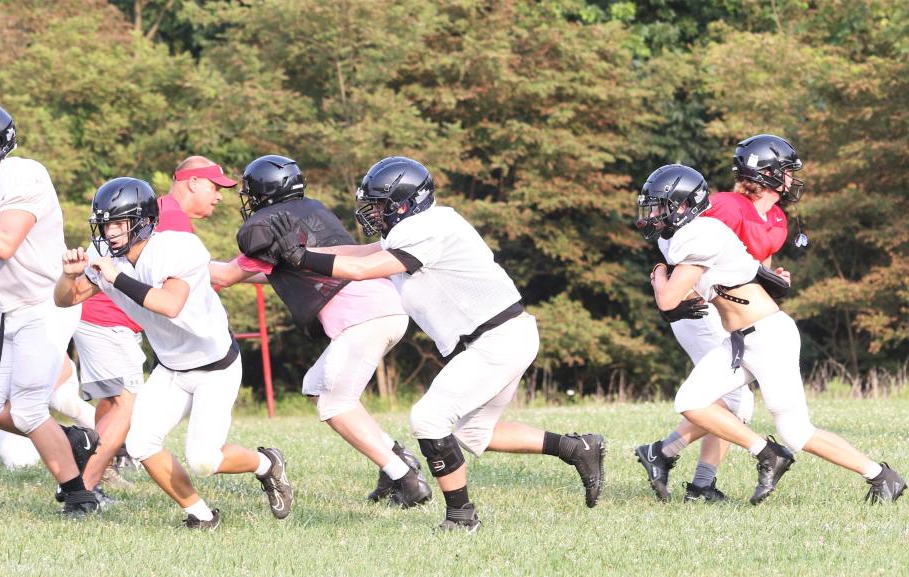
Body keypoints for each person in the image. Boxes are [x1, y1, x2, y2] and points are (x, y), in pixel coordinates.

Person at [263, 156, 606, 531]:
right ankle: (577, 448)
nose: (372, 213)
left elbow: (362, 270)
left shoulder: (428, 227)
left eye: (379, 205)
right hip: (501, 337)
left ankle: (462, 517)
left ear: (406, 203)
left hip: (497, 339)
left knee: (428, 419)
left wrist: (301, 256)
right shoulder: (418, 226)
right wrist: (295, 256)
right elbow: (360, 254)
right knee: (474, 433)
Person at [635, 163, 905, 505]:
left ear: (685, 205)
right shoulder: (686, 233)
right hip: (740, 340)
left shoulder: (701, 233)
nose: (653, 213)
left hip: (767, 337)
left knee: (796, 431)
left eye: (660, 205)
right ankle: (765, 453)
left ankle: (881, 476)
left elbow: (668, 299)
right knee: (691, 401)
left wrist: (659, 273)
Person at [55, 177, 293, 529]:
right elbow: (66, 299)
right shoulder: (106, 256)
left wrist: (115, 278)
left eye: (119, 223)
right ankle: (201, 514)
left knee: (204, 460)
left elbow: (169, 305)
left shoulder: (180, 248)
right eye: (105, 224)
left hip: (215, 367)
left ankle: (266, 464)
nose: (110, 233)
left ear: (144, 222)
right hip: (170, 368)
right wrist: (68, 275)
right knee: (141, 444)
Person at [209, 154, 431, 507]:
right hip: (384, 308)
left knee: (333, 403)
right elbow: (289, 270)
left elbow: (221, 276)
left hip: (364, 316)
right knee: (316, 386)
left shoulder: (270, 227)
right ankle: (396, 459)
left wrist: (176, 264)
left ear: (263, 193)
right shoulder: (312, 211)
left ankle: (405, 480)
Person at [634, 134, 803, 503]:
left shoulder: (776, 216)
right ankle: (684, 468)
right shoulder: (724, 208)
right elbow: (684, 254)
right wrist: (666, 280)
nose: (792, 178)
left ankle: (683, 471)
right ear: (770, 172)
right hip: (701, 307)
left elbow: (746, 266)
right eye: (787, 170)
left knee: (731, 400)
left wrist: (773, 282)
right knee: (733, 401)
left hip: (732, 310)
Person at [0, 101, 99, 514]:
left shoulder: (24, 174)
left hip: (45, 303)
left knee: (31, 408)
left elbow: (3, 243)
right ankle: (71, 440)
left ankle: (79, 495)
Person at [72, 155, 239, 494]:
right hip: (115, 317)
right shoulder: (168, 222)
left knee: (117, 403)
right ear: (192, 182)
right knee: (126, 405)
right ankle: (85, 483)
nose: (219, 195)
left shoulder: (155, 212)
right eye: (214, 186)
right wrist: (273, 268)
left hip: (118, 319)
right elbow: (174, 295)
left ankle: (92, 467)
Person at [0, 291, 97, 471]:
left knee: (68, 403)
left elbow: (64, 368)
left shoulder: (24, 318)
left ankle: (116, 445)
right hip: (12, 403)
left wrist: (34, 396)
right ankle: (74, 439)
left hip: (49, 379)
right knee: (19, 461)